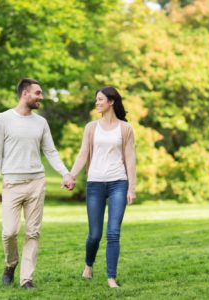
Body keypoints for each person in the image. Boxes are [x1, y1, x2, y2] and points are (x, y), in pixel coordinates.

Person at [0, 78, 75, 289]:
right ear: (25, 93)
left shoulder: (41, 122)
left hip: (37, 182)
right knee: (9, 232)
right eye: (38, 93)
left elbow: (51, 152)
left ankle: (26, 279)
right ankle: (10, 264)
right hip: (12, 184)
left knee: (33, 232)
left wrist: (66, 173)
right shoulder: (3, 119)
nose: (41, 97)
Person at [69, 86, 136, 288]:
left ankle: (111, 277)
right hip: (95, 183)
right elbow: (83, 154)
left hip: (118, 182)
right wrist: (71, 175)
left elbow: (130, 159)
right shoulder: (91, 127)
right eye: (96, 100)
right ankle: (89, 264)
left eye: (100, 99)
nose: (97, 103)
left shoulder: (125, 128)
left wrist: (131, 187)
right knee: (95, 234)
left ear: (111, 101)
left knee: (113, 232)